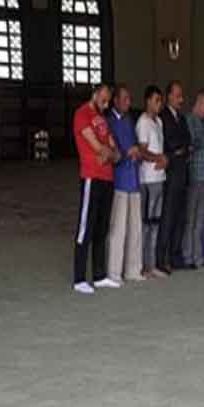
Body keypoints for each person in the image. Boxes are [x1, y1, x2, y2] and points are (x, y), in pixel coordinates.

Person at [72, 83, 121, 294]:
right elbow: (99, 147)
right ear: (95, 94)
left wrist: (109, 153)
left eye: (108, 100)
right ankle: (79, 278)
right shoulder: (82, 114)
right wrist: (107, 152)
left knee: (102, 228)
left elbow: (116, 153)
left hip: (107, 178)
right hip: (91, 177)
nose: (106, 104)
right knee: (86, 227)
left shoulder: (103, 119)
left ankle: (99, 275)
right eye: (104, 99)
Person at [106, 85, 144, 284]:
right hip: (119, 180)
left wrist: (136, 151)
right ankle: (114, 272)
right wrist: (125, 153)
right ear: (116, 100)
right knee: (118, 229)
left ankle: (133, 269)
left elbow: (136, 143)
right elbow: (112, 150)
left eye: (130, 98)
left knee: (135, 228)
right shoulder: (109, 122)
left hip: (134, 178)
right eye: (125, 98)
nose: (129, 102)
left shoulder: (129, 121)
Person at [157, 81, 191, 272]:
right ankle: (162, 259)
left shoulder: (182, 118)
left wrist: (181, 149)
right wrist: (179, 149)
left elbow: (187, 141)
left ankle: (176, 256)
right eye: (178, 96)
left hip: (183, 173)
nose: (181, 99)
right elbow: (170, 142)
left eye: (182, 96)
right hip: (170, 174)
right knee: (168, 217)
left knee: (180, 218)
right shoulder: (163, 117)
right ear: (168, 96)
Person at [136, 85, 169, 279]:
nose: (159, 104)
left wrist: (162, 160)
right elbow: (142, 151)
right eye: (156, 100)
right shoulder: (143, 122)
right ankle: (142, 266)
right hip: (148, 179)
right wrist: (158, 158)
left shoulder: (159, 122)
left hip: (159, 177)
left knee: (155, 223)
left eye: (160, 101)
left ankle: (152, 263)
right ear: (148, 101)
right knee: (146, 224)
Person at [182, 91, 204, 269]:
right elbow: (193, 142)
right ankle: (188, 256)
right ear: (198, 104)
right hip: (193, 174)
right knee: (191, 219)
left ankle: (198, 256)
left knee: (200, 219)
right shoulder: (189, 119)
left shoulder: (202, 122)